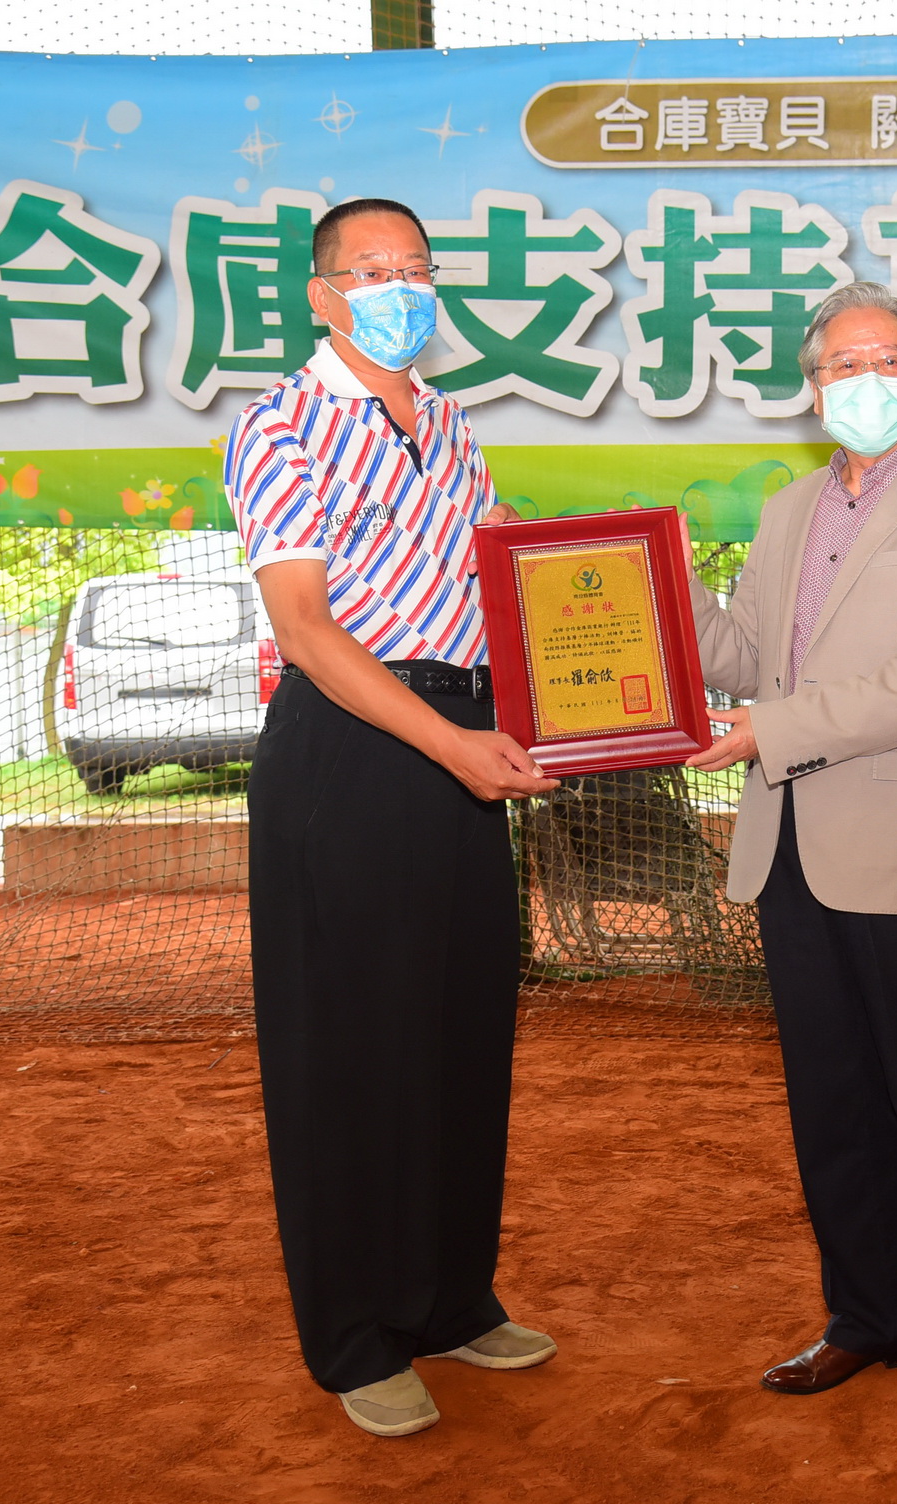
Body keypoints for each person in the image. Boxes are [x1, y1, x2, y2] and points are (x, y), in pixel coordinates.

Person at [225, 196, 559, 1440]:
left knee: (462, 1030)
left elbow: (504, 566)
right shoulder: (282, 425)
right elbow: (307, 629)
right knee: (350, 1052)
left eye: (415, 268)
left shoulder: (454, 422)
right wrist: (452, 748)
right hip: (355, 755)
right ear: (321, 294)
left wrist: (603, 636)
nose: (396, 287)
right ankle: (356, 1334)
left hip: (463, 740)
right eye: (369, 270)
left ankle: (450, 1298)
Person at [684, 282, 897, 1427]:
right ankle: (867, 1314)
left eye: (887, 359)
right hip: (785, 844)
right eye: (842, 364)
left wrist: (770, 732)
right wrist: (652, 587)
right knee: (830, 1098)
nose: (865, 381)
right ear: (811, 383)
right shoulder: (786, 511)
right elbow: (745, 653)